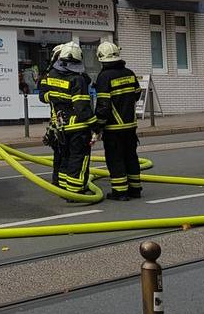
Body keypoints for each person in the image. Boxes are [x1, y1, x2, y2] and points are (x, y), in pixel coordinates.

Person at [38, 41, 96, 195]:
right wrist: (95, 125)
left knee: (65, 158)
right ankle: (76, 191)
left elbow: (45, 96)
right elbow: (82, 107)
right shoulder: (76, 80)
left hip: (60, 126)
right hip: (77, 127)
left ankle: (63, 186)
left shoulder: (51, 76)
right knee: (78, 159)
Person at [93, 41, 142, 201]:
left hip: (113, 127)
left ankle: (120, 191)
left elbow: (103, 105)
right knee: (131, 156)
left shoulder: (104, 77)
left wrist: (97, 126)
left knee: (115, 158)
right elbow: (137, 94)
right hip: (130, 124)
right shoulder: (129, 72)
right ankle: (135, 189)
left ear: (101, 57)